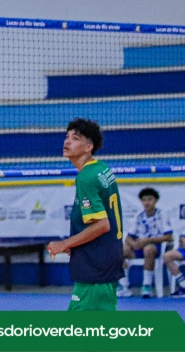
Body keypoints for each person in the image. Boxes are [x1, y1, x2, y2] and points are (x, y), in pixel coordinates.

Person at [48, 118, 124, 311]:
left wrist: (65, 243)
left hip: (96, 265)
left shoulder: (86, 177)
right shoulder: (101, 168)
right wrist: (77, 244)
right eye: (67, 137)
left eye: (75, 138)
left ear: (88, 147)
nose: (67, 142)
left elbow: (102, 224)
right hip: (105, 258)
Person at [120, 187, 172, 298]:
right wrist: (134, 244)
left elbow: (169, 237)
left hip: (155, 247)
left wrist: (148, 240)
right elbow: (128, 237)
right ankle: (124, 286)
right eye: (144, 200)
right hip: (139, 247)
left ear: (155, 200)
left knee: (148, 249)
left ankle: (147, 285)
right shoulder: (139, 216)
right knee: (120, 251)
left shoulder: (162, 214)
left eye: (149, 199)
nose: (147, 203)